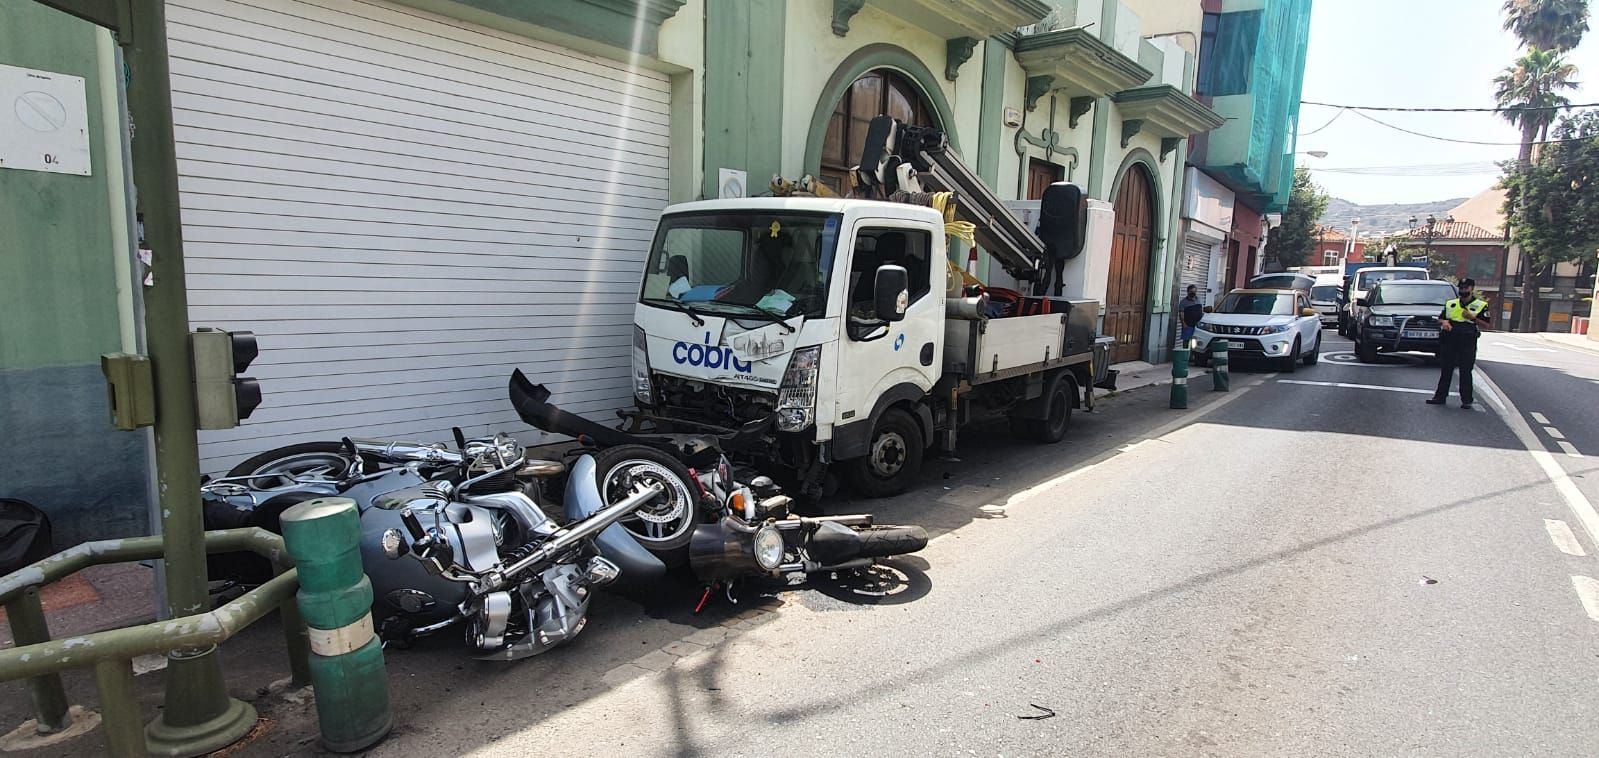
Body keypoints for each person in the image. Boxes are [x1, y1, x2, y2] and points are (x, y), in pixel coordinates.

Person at [1427, 278, 1491, 409]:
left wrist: (1473, 318)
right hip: (1450, 340)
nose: (1463, 291)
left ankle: (1466, 400)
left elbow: (1487, 325)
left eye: (1466, 288)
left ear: (1472, 289)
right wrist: (1444, 322)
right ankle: (1440, 397)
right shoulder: (1451, 303)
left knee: (1465, 371)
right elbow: (1441, 318)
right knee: (1446, 369)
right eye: (1461, 288)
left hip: (1467, 341)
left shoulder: (1480, 305)